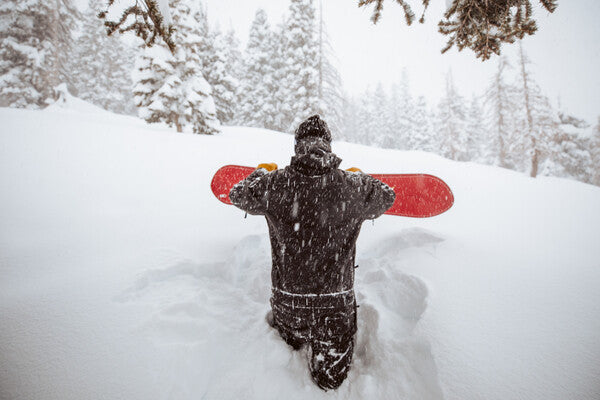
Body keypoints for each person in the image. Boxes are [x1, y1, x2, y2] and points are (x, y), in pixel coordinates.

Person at [229, 115, 395, 390]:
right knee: (329, 383)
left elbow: (238, 194)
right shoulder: (352, 187)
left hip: (289, 304)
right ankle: (326, 374)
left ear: (297, 147)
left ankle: (293, 349)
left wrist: (261, 171)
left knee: (288, 349)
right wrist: (359, 177)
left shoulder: (274, 184)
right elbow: (387, 196)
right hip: (335, 307)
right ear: (328, 147)